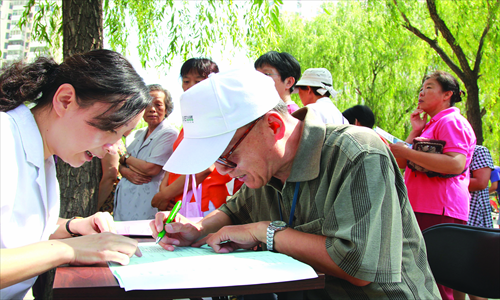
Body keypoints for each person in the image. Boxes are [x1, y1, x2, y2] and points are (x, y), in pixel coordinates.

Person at [151, 69, 440, 299]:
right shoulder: (263, 169)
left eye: (228, 157)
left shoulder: (357, 152)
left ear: (273, 127)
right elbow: (231, 212)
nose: (225, 173)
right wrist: (194, 230)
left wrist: (264, 232)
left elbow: (357, 266)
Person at [0, 49, 147, 300]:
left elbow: (16, 228)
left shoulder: (44, 155)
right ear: (65, 100)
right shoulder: (4, 138)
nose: (114, 148)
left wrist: (72, 226)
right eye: (110, 128)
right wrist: (68, 250)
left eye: (122, 136)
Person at [389, 70, 476, 300]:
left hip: (439, 210)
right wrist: (415, 131)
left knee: (437, 278)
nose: (421, 92)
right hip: (422, 208)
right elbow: (400, 161)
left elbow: (456, 163)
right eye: (421, 88)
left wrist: (407, 151)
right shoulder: (430, 126)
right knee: (422, 275)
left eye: (428, 87)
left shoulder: (451, 121)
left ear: (448, 94)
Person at [151, 58, 234, 216]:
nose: (190, 87)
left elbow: (205, 169)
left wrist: (164, 195)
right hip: (182, 200)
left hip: (204, 201)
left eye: (198, 81)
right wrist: (166, 192)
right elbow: (177, 160)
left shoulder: (214, 117)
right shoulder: (191, 118)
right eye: (186, 80)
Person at [113, 84, 178, 221]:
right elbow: (121, 167)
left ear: (166, 109)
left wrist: (125, 158)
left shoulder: (169, 134)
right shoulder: (135, 135)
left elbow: (151, 168)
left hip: (147, 200)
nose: (152, 109)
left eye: (158, 105)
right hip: (125, 200)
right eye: (147, 104)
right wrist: (126, 171)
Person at [97, 139, 126, 213]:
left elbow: (110, 177)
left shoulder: (109, 142)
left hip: (107, 201)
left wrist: (95, 208)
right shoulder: (115, 139)